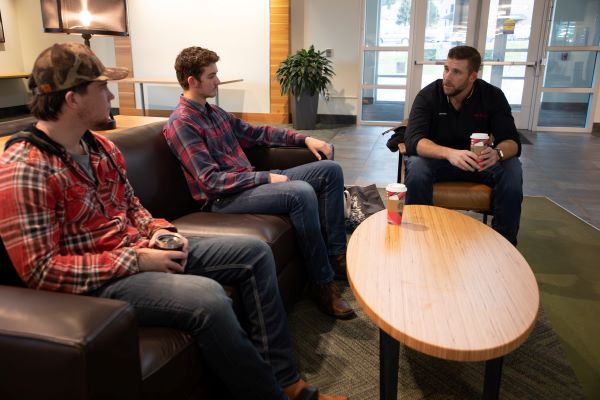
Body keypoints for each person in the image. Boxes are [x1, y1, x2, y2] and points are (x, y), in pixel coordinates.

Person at [0, 42, 348, 400]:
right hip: (99, 281)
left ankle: (287, 380)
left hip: (140, 249)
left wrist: (160, 231)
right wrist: (135, 260)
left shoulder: (101, 149)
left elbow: (132, 205)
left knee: (255, 253)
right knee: (209, 297)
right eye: (101, 87)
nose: (110, 94)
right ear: (72, 99)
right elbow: (41, 271)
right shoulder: (25, 168)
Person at [162, 46, 354, 319]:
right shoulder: (182, 123)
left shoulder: (214, 112)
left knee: (330, 170)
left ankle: (336, 257)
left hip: (248, 183)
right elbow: (211, 181)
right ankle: (322, 283)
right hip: (223, 199)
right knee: (299, 192)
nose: (218, 80)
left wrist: (304, 139)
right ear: (192, 81)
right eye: (212, 75)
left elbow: (257, 133)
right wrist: (264, 177)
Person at [403, 45, 523, 245]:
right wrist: (450, 154)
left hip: (480, 162)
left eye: (456, 72)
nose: (447, 77)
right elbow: (413, 140)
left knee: (512, 169)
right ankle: (417, 241)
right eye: (446, 69)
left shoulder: (492, 96)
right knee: (416, 167)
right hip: (440, 161)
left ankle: (505, 243)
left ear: (472, 77)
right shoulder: (429, 95)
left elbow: (512, 141)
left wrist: (498, 153)